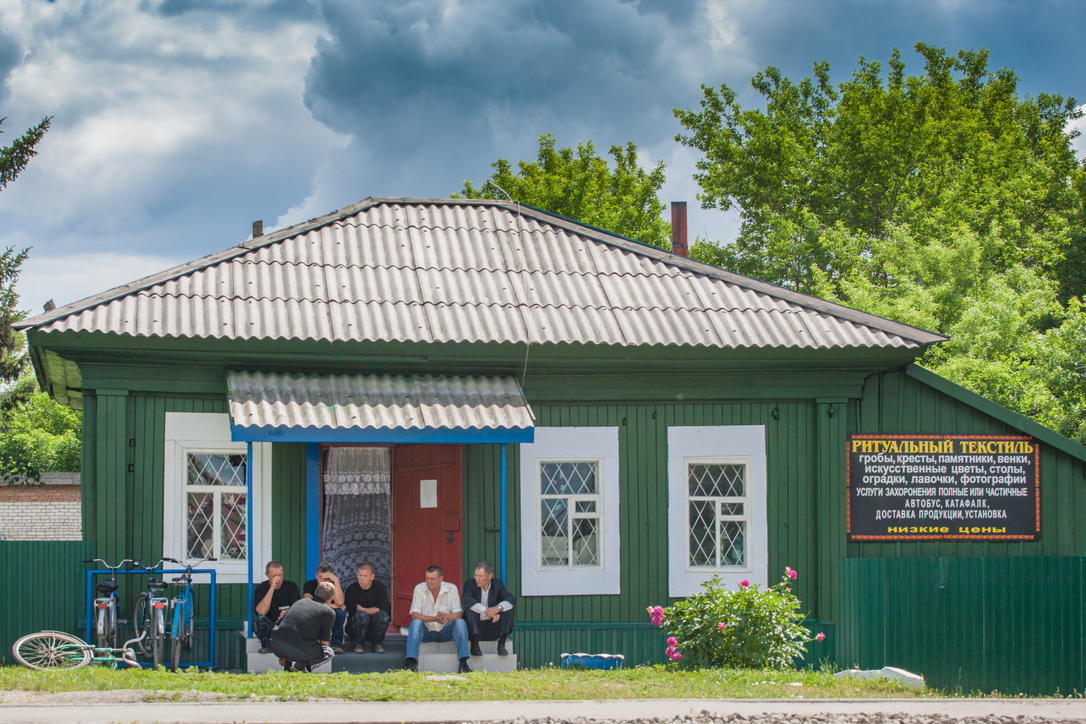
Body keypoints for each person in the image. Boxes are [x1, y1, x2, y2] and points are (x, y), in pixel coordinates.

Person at [404, 565, 471, 673]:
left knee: (460, 622)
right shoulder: (419, 588)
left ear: (441, 579)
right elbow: (414, 614)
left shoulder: (451, 588)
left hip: (445, 631)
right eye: (427, 578)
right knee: (415, 623)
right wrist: (434, 619)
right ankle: (411, 663)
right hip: (426, 632)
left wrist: (446, 617)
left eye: (432, 579)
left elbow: (458, 613)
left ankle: (463, 663)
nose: (429, 582)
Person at [269, 580, 336, 672]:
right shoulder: (329, 612)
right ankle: (299, 667)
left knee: (295, 637)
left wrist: (282, 655)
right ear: (331, 598)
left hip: (276, 644)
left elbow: (279, 624)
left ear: (315, 592)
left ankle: (289, 669)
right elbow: (324, 642)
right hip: (297, 649)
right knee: (329, 653)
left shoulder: (300, 602)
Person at [461, 560, 515, 656]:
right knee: (470, 610)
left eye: (480, 576)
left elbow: (510, 599)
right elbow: (467, 599)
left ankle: (501, 644)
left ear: (489, 576)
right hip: (475, 629)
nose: (477, 579)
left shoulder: (497, 584)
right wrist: (487, 611)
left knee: (509, 609)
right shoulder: (469, 584)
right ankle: (474, 646)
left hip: (493, 627)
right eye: (475, 575)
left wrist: (498, 608)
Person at [252, 560, 300, 653]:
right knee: (258, 620)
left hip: (287, 624)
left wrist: (287, 613)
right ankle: (267, 646)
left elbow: (298, 608)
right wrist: (272, 588)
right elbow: (261, 612)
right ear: (267, 575)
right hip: (270, 626)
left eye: (280, 575)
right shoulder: (261, 588)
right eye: (274, 576)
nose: (278, 578)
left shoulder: (291, 586)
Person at [344, 562, 391, 653]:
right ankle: (359, 644)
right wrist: (370, 610)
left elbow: (381, 609)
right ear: (357, 575)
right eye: (360, 575)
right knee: (360, 615)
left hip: (374, 629)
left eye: (365, 576)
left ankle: (378, 644)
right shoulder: (352, 589)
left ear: (372, 577)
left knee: (382, 616)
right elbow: (352, 610)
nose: (362, 578)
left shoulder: (380, 588)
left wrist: (363, 609)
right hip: (356, 629)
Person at [302, 561, 347, 653]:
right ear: (316, 575)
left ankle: (336, 643)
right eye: (320, 577)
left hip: (331, 613)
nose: (322, 581)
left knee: (340, 613)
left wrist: (336, 581)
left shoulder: (334, 585)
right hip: (316, 612)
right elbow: (308, 600)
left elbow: (340, 602)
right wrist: (332, 605)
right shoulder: (309, 584)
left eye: (326, 578)